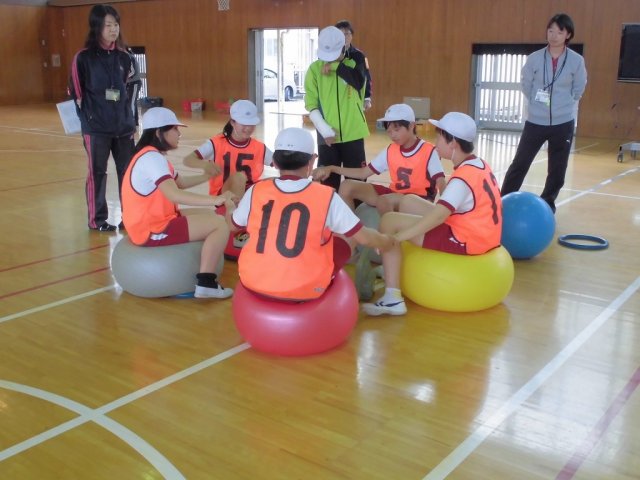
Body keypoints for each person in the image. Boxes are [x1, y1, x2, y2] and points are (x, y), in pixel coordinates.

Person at [223, 127, 393, 302]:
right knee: (348, 233)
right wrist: (387, 241)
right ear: (312, 161)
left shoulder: (256, 190)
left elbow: (232, 225)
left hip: (253, 281)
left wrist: (229, 207)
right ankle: (358, 277)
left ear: (275, 161)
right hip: (305, 287)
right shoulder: (325, 195)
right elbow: (365, 238)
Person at [361, 113, 503, 316]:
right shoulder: (479, 165)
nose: (435, 142)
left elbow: (438, 217)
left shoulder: (462, 178)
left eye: (439, 137)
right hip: (481, 231)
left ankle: (392, 298)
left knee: (389, 222)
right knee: (408, 200)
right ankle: (392, 262)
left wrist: (397, 238)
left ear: (453, 142)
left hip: (468, 239)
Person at [121, 107, 234, 299]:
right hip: (151, 229)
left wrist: (206, 176)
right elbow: (174, 194)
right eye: (174, 129)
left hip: (153, 221)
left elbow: (180, 183)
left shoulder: (151, 156)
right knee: (220, 225)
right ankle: (206, 283)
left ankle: (206, 278)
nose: (179, 133)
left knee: (211, 217)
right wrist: (216, 199)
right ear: (159, 132)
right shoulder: (152, 158)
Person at [500, 13, 587, 213]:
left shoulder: (576, 61)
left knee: (557, 169)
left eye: (559, 31)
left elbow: (579, 87)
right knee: (520, 163)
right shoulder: (535, 58)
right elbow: (526, 83)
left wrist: (565, 103)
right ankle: (502, 200)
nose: (554, 35)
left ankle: (548, 203)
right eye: (550, 31)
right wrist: (536, 102)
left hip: (563, 122)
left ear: (568, 35)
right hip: (535, 121)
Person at [69, 4, 137, 231]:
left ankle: (130, 218)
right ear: (96, 27)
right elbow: (77, 95)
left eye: (116, 24)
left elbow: (129, 94)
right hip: (96, 129)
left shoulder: (125, 58)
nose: (113, 29)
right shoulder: (83, 58)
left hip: (124, 128)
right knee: (97, 174)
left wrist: (132, 122)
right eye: (108, 25)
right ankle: (97, 220)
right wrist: (90, 121)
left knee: (127, 174)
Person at [312, 103, 446, 214]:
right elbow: (363, 172)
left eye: (397, 129)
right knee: (347, 186)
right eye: (389, 131)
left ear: (411, 126)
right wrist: (332, 168)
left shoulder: (429, 151)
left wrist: (445, 208)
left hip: (419, 201)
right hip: (395, 194)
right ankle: (352, 234)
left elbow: (441, 181)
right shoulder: (391, 150)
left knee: (385, 201)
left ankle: (386, 241)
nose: (392, 134)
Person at [183, 99, 273, 254]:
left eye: (251, 124)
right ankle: (237, 228)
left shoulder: (259, 147)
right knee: (239, 177)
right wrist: (205, 165)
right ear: (232, 122)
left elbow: (282, 164)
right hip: (225, 194)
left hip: (248, 193)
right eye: (244, 124)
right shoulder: (216, 143)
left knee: (274, 182)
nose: (248, 128)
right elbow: (188, 160)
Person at [305, 26, 369, 192]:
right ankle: (329, 216)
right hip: (327, 137)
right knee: (328, 184)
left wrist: (335, 67)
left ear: (343, 46)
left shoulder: (355, 63)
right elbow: (311, 104)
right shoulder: (314, 70)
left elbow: (358, 82)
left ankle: (356, 216)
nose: (328, 60)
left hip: (353, 134)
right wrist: (324, 129)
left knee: (356, 183)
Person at [335, 19, 373, 111]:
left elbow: (366, 76)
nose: (344, 37)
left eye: (347, 34)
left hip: (353, 99)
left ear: (351, 35)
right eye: (340, 34)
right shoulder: (328, 55)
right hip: (334, 99)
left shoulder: (359, 55)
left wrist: (367, 98)